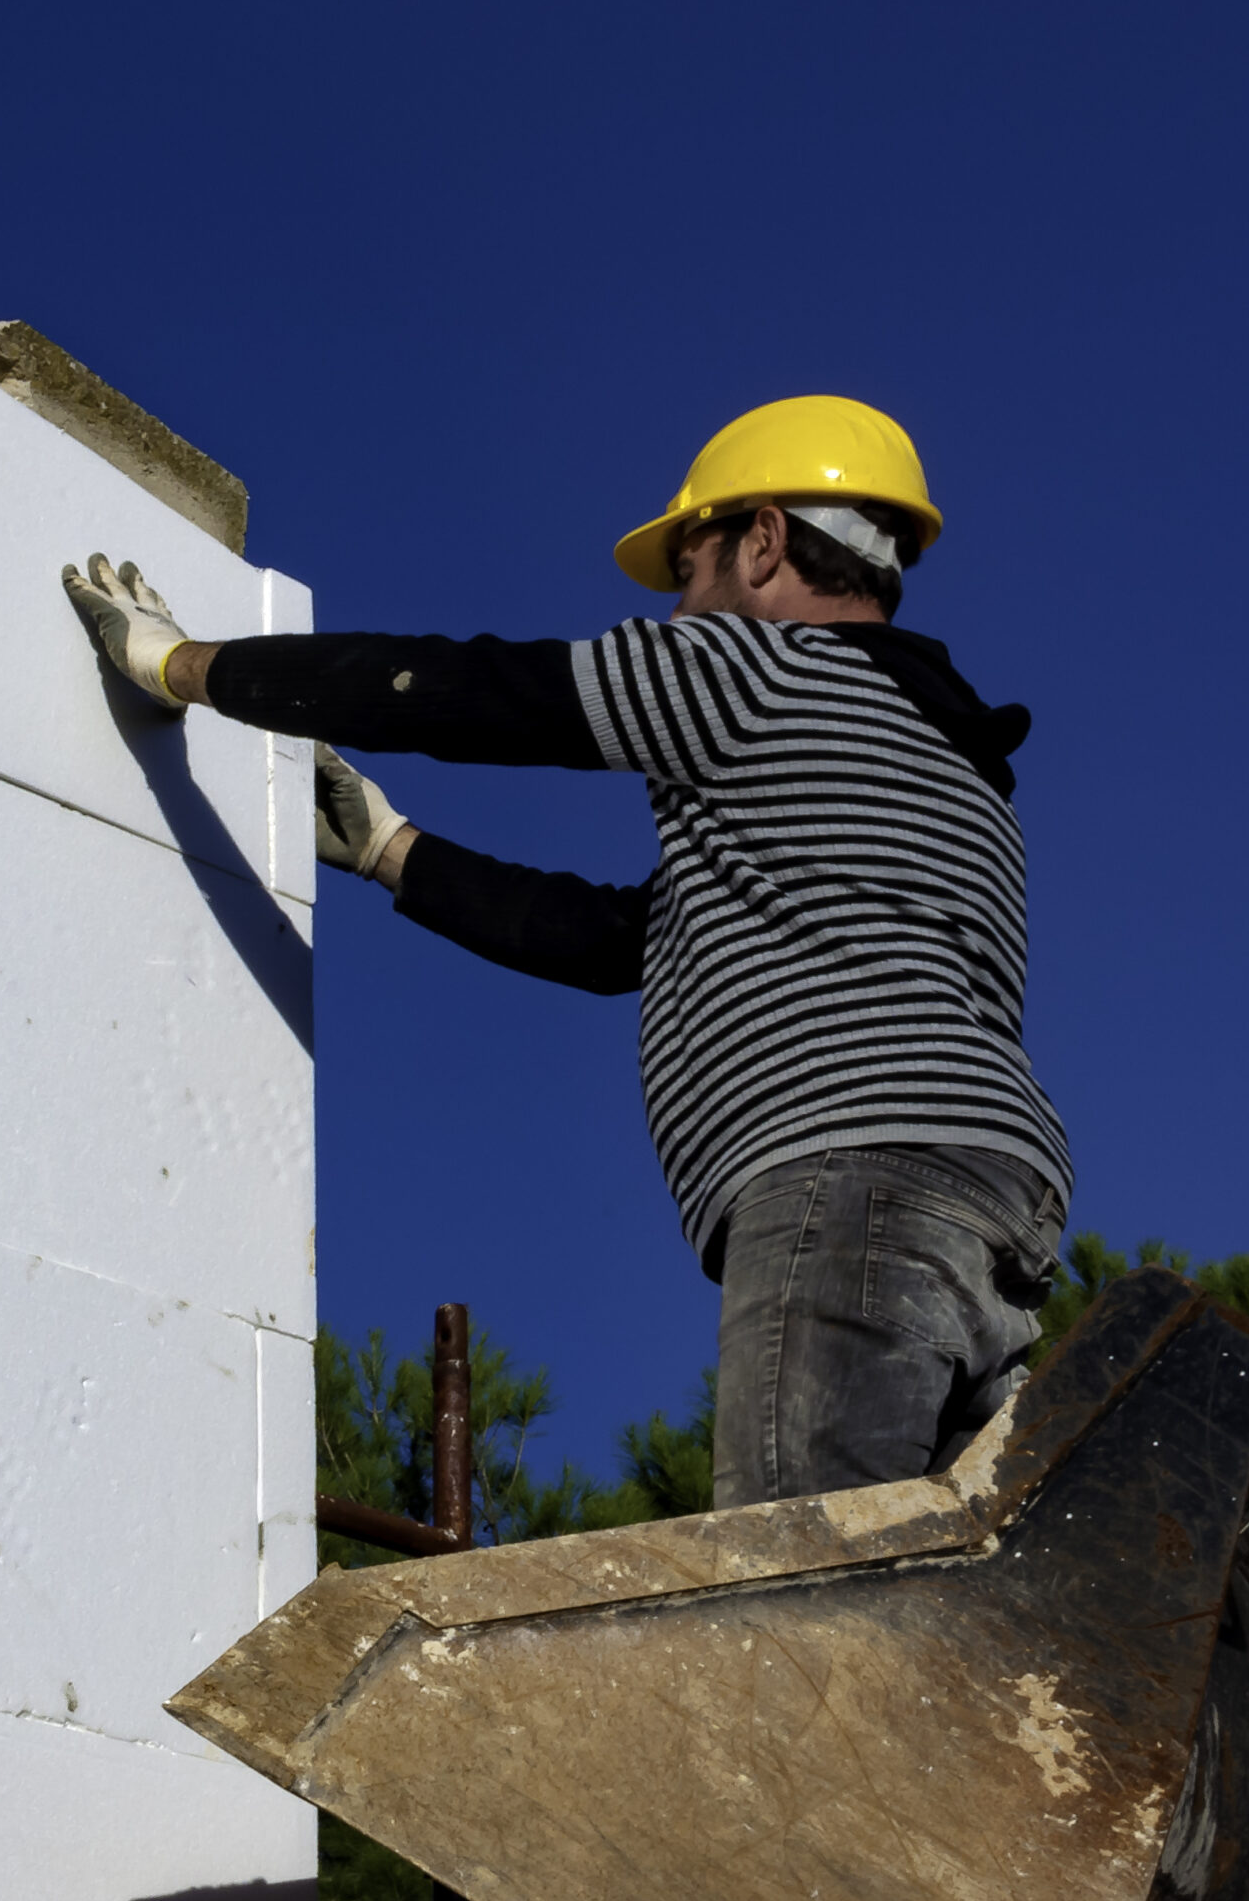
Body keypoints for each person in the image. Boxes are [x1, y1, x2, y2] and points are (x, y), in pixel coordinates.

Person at [64, 395, 1072, 1510]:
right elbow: (621, 940)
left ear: (764, 540)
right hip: (991, 1211)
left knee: (801, 1586)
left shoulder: (753, 671)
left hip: (847, 1181)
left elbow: (481, 695)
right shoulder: (953, 770)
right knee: (933, 1609)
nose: (679, 610)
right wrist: (390, 848)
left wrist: (185, 666)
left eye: (688, 572)